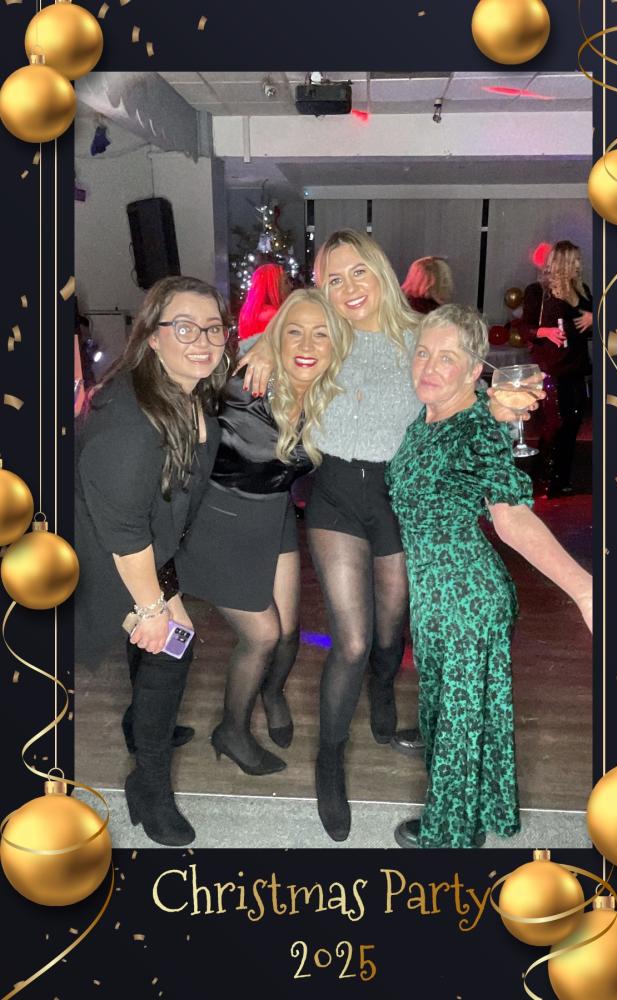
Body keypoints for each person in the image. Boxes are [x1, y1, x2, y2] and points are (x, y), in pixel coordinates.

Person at [238, 229, 540, 843]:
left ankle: (382, 695)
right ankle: (329, 760)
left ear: (379, 271)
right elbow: (258, 343)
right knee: (351, 640)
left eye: (358, 272)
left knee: (389, 630)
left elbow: (464, 382)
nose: (348, 288)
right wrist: (265, 344)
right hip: (335, 497)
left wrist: (505, 402)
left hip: (396, 495)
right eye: (333, 278)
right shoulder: (327, 334)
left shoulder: (417, 336)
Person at [386, 304, 592, 849]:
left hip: (465, 599)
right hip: (435, 596)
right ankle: (480, 810)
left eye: (447, 357)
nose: (429, 365)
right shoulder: (430, 417)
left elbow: (512, 518)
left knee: (457, 722)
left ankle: (450, 835)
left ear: (475, 369)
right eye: (423, 352)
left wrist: (585, 590)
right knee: (455, 712)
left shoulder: (477, 428)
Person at [75, 276, 234, 847]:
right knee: (173, 645)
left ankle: (141, 725)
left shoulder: (186, 392)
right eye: (184, 328)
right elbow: (122, 532)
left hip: (139, 543)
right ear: (151, 336)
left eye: (214, 328)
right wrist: (152, 608)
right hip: (99, 555)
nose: (203, 341)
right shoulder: (129, 418)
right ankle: (149, 784)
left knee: (163, 646)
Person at [175, 289, 352, 776]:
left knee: (289, 632)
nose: (307, 344)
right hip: (217, 520)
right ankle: (231, 730)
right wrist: (256, 349)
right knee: (263, 636)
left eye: (320, 334)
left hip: (273, 514)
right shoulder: (241, 383)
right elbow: (183, 375)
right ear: (276, 336)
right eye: (294, 331)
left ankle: (272, 693)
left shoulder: (330, 394)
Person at [522, 240, 593, 499]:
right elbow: (525, 328)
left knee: (573, 422)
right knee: (555, 424)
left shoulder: (582, 291)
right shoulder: (538, 292)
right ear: (562, 262)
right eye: (575, 260)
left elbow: (590, 330)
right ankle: (544, 479)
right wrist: (547, 331)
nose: (579, 265)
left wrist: (593, 318)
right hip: (551, 368)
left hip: (576, 366)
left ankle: (561, 478)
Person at [237, 262, 290, 340]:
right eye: (286, 282)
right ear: (273, 286)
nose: (290, 286)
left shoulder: (248, 314)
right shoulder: (275, 317)